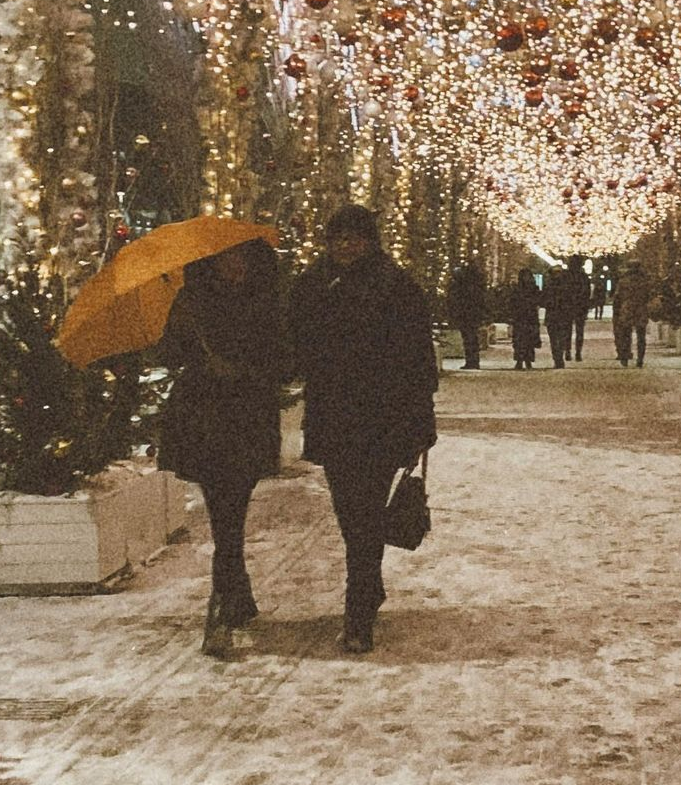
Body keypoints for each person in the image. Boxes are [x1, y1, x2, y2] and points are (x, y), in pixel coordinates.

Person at [289, 204, 438, 653]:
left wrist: (419, 426)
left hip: (382, 418)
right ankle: (368, 590)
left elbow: (418, 362)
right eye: (338, 238)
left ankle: (358, 610)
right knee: (350, 514)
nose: (346, 246)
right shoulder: (312, 286)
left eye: (355, 237)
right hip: (335, 417)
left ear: (370, 241)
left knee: (365, 515)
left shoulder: (397, 287)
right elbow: (295, 345)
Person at [156, 237, 288, 658]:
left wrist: (244, 368)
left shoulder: (267, 300)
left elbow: (284, 357)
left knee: (233, 506)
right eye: (225, 258)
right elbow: (167, 353)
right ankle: (226, 595)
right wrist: (185, 335)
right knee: (224, 507)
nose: (234, 266)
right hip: (205, 416)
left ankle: (233, 591)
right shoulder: (191, 301)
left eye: (240, 258)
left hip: (247, 414)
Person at [446, 259, 487, 371]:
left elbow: (455, 300)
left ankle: (471, 361)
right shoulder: (475, 284)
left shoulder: (462, 286)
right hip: (472, 314)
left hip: (465, 314)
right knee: (472, 338)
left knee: (469, 338)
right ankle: (473, 361)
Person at [614, 260, 651, 368]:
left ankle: (625, 357)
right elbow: (649, 295)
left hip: (627, 308)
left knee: (625, 334)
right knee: (641, 335)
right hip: (641, 308)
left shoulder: (624, 281)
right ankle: (640, 359)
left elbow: (617, 297)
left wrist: (617, 310)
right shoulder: (644, 281)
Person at [542, 262, 578, 369]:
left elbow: (544, 299)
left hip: (558, 315)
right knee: (558, 338)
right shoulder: (565, 286)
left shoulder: (551, 285)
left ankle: (558, 358)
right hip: (560, 315)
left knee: (557, 338)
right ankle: (558, 357)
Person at [507, 270, 542, 370]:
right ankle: (521, 360)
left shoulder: (521, 289)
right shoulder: (526, 289)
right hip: (523, 317)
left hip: (525, 318)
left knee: (526, 340)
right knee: (521, 340)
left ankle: (526, 361)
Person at [569, 258, 593, 362]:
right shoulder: (584, 277)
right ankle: (578, 352)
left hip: (569, 306)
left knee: (567, 330)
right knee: (579, 331)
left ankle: (568, 350)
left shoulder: (566, 277)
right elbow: (587, 293)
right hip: (580, 306)